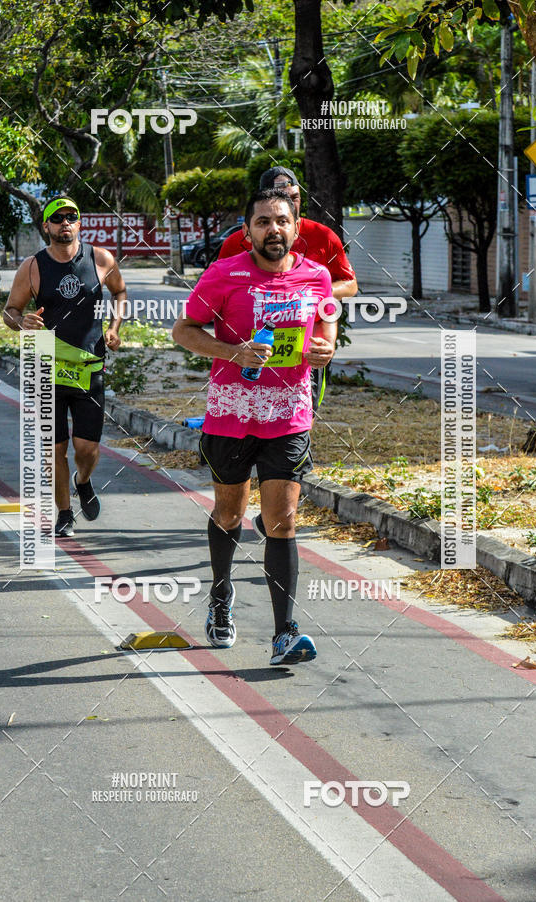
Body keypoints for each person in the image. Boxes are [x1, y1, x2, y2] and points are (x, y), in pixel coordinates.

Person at [172, 188, 336, 665]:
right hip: (230, 414)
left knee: (283, 518)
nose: (273, 229)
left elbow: (325, 329)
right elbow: (183, 331)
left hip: (288, 416)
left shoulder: (316, 277)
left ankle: (285, 632)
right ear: (247, 231)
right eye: (262, 222)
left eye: (281, 220)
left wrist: (326, 349)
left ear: (296, 226)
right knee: (229, 514)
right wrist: (232, 352)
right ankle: (221, 600)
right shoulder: (223, 274)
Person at [3, 196, 126, 537]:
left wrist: (114, 328)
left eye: (71, 217)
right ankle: (64, 513)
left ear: (80, 223)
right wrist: (20, 322)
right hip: (46, 368)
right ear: (46, 226)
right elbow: (10, 311)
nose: (65, 223)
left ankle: (82, 481)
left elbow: (120, 292)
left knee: (87, 449)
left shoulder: (101, 259)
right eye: (57, 219)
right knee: (54, 447)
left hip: (89, 366)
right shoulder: (33, 267)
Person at [219, 166, 357, 411]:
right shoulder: (234, 243)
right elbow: (215, 296)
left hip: (306, 345)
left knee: (303, 416)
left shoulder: (323, 236)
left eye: (295, 197)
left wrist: (305, 294)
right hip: (251, 344)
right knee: (247, 413)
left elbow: (349, 285)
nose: (291, 204)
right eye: (282, 198)